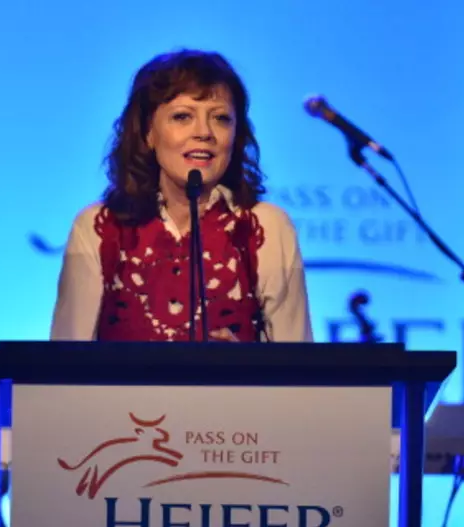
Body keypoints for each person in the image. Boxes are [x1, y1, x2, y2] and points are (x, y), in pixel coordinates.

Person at [50, 49, 313, 343]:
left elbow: (296, 371)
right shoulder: (98, 226)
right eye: (182, 116)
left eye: (221, 118)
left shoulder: (267, 226)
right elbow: (65, 367)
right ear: (148, 132)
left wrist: (242, 366)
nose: (204, 132)